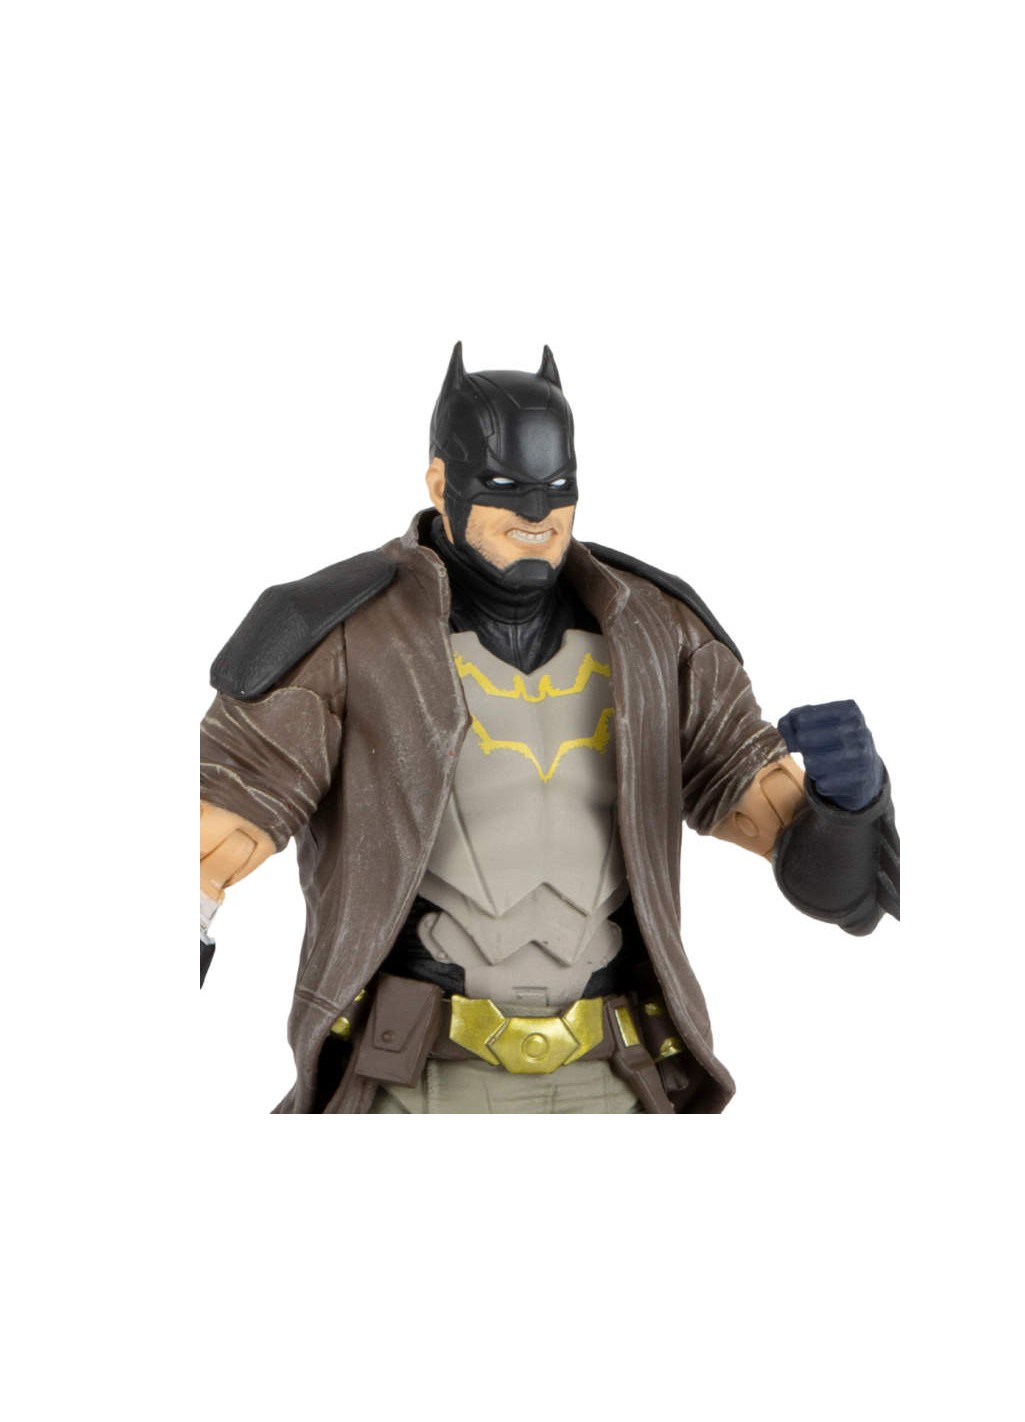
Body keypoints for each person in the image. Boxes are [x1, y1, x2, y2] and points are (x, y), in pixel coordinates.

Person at [199, 343, 899, 1114]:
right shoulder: (344, 631)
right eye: (505, 490)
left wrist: (849, 807)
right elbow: (209, 845)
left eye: (557, 489)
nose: (537, 516)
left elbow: (835, 888)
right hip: (417, 1077)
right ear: (441, 484)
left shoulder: (655, 629)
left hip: (616, 1072)